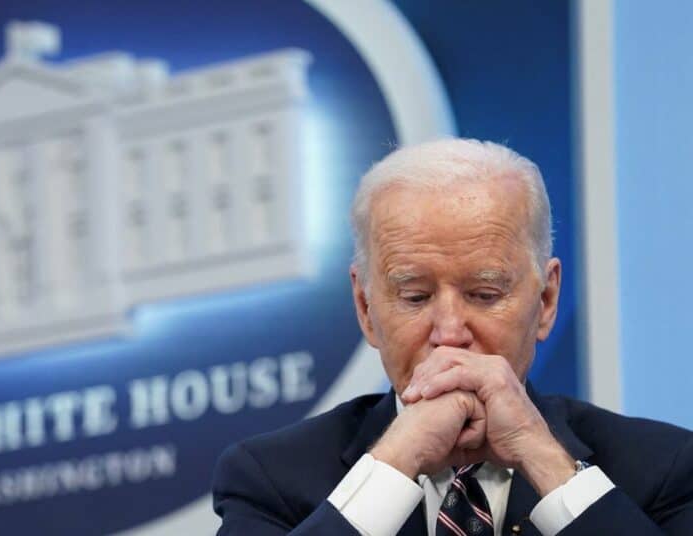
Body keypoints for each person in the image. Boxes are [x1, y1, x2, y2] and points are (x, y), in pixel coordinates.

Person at [211, 139, 693, 535]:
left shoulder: (662, 468)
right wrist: (392, 465)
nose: (448, 334)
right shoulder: (270, 478)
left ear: (545, 301)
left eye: (484, 294)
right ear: (365, 308)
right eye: (415, 297)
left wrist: (544, 460)